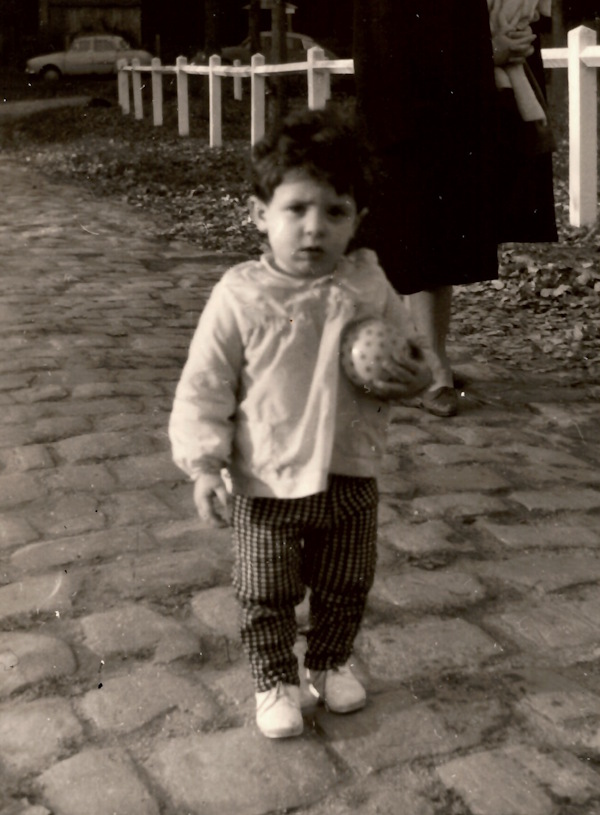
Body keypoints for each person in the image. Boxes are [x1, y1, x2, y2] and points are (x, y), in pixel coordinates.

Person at [168, 109, 431, 739]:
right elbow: (205, 384)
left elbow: (409, 350)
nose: (315, 227)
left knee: (346, 583)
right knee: (265, 591)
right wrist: (204, 465)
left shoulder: (368, 282)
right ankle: (274, 679)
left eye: (335, 211)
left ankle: (330, 662)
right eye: (297, 209)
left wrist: (413, 374)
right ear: (261, 214)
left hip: (350, 470)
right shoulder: (240, 294)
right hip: (266, 480)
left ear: (357, 219)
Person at [352, 0, 500, 417]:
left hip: (451, 113)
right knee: (415, 242)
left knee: (439, 244)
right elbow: (384, 41)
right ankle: (424, 369)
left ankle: (431, 359)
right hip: (405, 116)